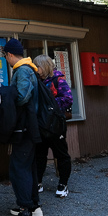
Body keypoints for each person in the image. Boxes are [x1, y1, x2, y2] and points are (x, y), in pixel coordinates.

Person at [1, 38, 42, 216]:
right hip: (31, 126)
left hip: (24, 127)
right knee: (28, 166)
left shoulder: (23, 70)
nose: (6, 60)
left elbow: (22, 96)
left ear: (9, 55)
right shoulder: (30, 68)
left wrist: (6, 96)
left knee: (19, 167)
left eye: (6, 56)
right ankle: (34, 205)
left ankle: (26, 211)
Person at [32, 54, 72, 198]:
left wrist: (50, 107)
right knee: (39, 154)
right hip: (41, 125)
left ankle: (63, 184)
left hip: (55, 125)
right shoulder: (36, 81)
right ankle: (38, 182)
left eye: (38, 66)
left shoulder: (58, 79)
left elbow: (68, 99)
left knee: (61, 154)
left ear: (45, 66)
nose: (36, 69)